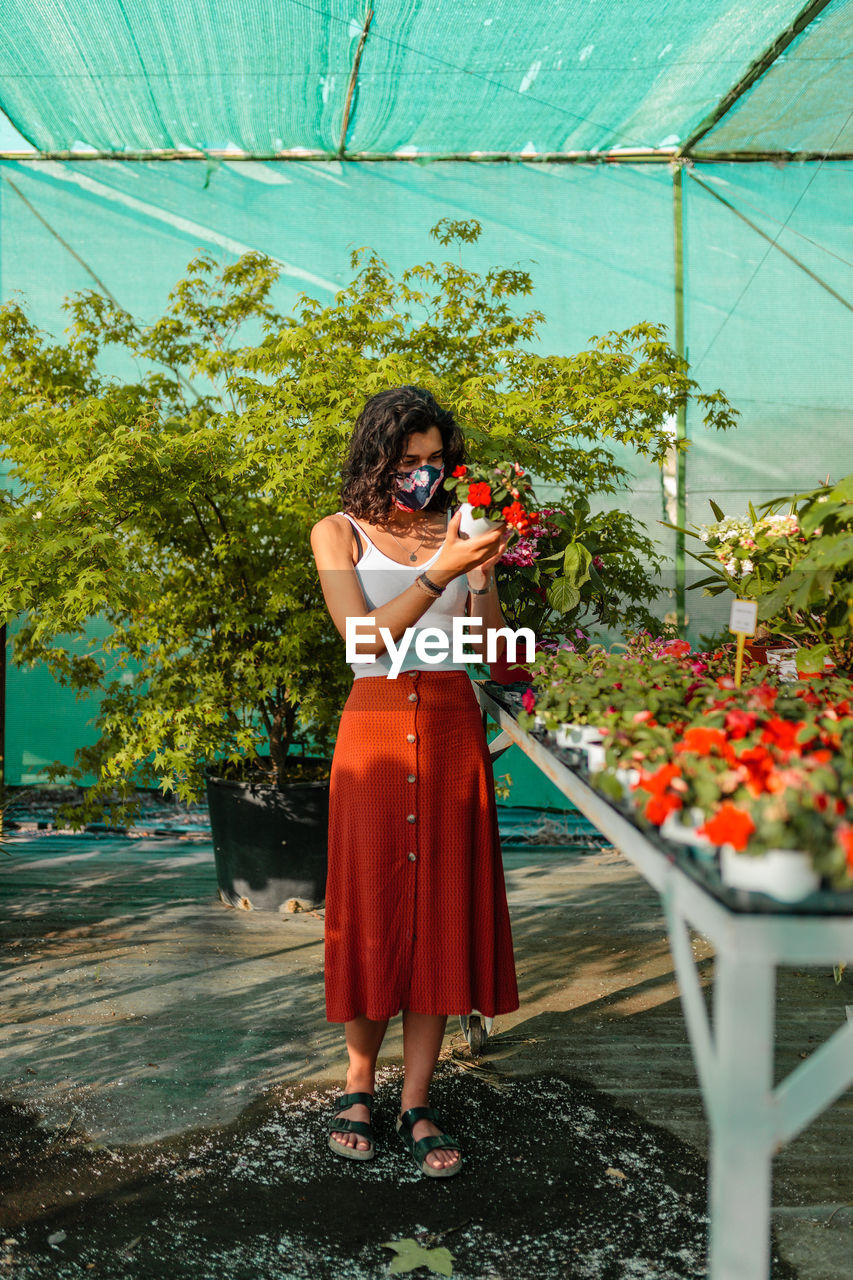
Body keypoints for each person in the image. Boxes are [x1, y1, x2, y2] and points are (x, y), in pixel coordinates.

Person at [309, 385, 521, 1179]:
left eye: (435, 462)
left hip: (447, 722)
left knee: (438, 912)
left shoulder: (458, 532)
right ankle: (358, 1087)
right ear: (377, 460)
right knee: (370, 907)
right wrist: (441, 571)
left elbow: (494, 653)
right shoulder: (337, 533)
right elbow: (362, 638)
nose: (424, 476)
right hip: (372, 728)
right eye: (409, 462)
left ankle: (417, 1100)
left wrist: (480, 574)